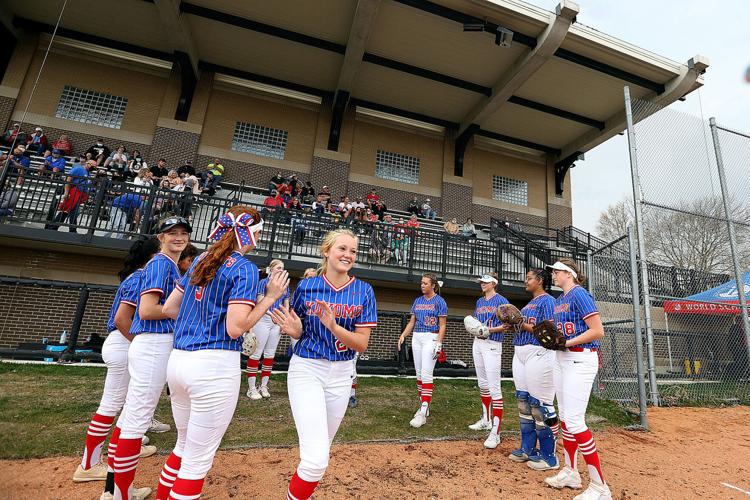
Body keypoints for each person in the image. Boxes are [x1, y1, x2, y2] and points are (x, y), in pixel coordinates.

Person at [156, 206, 287, 500]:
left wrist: (201, 318)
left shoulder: (201, 258)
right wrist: (269, 298)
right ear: (251, 234)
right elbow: (235, 327)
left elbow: (169, 308)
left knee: (183, 445)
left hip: (178, 360)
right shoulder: (244, 267)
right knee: (197, 460)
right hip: (213, 364)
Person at [270, 228, 377, 500]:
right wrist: (291, 327)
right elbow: (298, 331)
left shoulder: (364, 290)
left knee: (320, 453)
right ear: (327, 251)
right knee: (316, 460)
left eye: (353, 250)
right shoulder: (307, 286)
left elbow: (361, 344)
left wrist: (332, 325)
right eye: (342, 248)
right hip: (308, 368)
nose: (348, 255)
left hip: (342, 374)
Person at [111, 216, 191, 499]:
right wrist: (191, 313)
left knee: (130, 418)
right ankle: (121, 494)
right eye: (171, 233)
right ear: (160, 237)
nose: (178, 237)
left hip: (155, 344)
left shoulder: (167, 265)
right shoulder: (160, 263)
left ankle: (115, 489)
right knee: (136, 420)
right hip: (154, 343)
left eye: (183, 233)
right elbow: (146, 310)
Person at [74, 238, 161, 499]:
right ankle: (91, 466)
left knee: (119, 409)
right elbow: (123, 319)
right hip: (124, 343)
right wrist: (139, 344)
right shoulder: (141, 277)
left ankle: (106, 468)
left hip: (119, 343)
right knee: (114, 408)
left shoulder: (135, 276)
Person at [543, 259, 611, 499]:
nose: (552, 274)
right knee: (565, 418)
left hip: (580, 360)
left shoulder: (580, 294)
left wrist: (567, 342)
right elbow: (564, 332)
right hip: (563, 359)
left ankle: (600, 487)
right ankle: (571, 472)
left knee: (574, 421)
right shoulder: (560, 300)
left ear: (568, 273)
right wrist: (555, 339)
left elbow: (597, 331)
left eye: (556, 271)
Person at [511, 269, 558, 470]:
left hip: (538, 352)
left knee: (540, 405)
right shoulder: (530, 303)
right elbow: (523, 325)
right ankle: (527, 449)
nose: (526, 281)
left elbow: (550, 331)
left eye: (529, 278)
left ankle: (549, 456)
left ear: (540, 281)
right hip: (520, 351)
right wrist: (511, 324)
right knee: (523, 401)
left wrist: (523, 324)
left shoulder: (547, 301)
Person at [397, 274, 447, 428]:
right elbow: (412, 322)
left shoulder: (440, 301)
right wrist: (403, 335)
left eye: (425, 283)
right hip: (417, 337)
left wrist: (439, 343)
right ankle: (423, 406)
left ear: (433, 285)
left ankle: (423, 412)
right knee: (418, 374)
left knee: (426, 374)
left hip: (431, 337)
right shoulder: (417, 301)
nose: (422, 285)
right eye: (421, 283)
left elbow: (443, 325)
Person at [467, 273, 508, 449]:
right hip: (479, 342)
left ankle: (496, 433)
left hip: (493, 343)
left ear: (494, 283)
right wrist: (476, 328)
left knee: (494, 387)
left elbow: (507, 325)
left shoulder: (501, 300)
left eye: (485, 282)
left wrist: (489, 329)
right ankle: (486, 419)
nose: (482, 284)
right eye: (481, 282)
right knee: (482, 384)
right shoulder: (480, 301)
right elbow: (476, 322)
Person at [246, 259, 290, 400]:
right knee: (256, 354)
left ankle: (263, 385)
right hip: (264, 318)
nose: (281, 270)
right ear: (271, 269)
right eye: (278, 267)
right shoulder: (263, 282)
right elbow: (260, 301)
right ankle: (251, 388)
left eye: (282, 268)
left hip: (277, 321)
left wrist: (284, 320)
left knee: (270, 354)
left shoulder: (284, 285)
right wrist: (273, 315)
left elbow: (286, 304)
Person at [45, 160, 95, 232]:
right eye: (93, 166)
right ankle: (71, 230)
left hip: (79, 194)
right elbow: (68, 179)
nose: (93, 168)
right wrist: (66, 192)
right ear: (88, 164)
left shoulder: (87, 173)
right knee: (71, 211)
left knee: (67, 211)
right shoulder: (79, 169)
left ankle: (53, 227)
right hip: (74, 192)